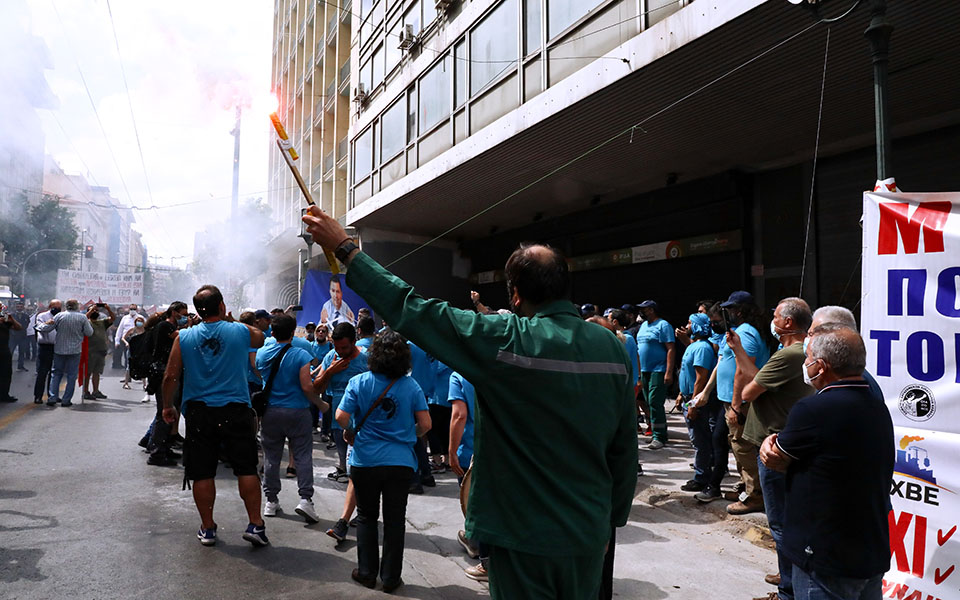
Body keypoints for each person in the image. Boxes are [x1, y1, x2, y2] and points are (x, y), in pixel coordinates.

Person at [303, 207, 638, 600]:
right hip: (588, 533)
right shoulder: (612, 349)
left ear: (515, 295)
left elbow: (412, 309)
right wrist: (609, 523)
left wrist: (345, 249)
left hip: (521, 535)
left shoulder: (504, 340)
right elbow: (623, 451)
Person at [759, 326, 893, 600]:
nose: (805, 364)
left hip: (825, 555)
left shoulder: (813, 409)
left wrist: (768, 443)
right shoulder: (877, 404)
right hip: (869, 550)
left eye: (807, 358)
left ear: (820, 366)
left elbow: (776, 458)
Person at [160, 285, 268, 547]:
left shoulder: (183, 338)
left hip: (199, 412)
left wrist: (167, 406)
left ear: (196, 311)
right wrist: (230, 320)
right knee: (246, 468)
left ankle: (207, 528)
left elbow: (170, 376)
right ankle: (255, 524)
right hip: (236, 409)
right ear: (221, 305)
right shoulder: (239, 331)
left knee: (202, 472)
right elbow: (261, 337)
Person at [729, 297, 812, 599]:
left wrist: (739, 358)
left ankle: (788, 588)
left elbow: (751, 389)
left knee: (779, 520)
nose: (772, 320)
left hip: (775, 447)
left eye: (776, 315)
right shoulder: (796, 351)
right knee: (786, 518)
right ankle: (786, 572)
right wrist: (738, 350)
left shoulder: (789, 354)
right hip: (786, 442)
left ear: (788, 322)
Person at [336, 330, 431, 592]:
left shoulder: (359, 382)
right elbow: (426, 424)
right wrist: (407, 435)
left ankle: (367, 573)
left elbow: (341, 416)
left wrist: (353, 429)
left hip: (365, 460)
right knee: (395, 520)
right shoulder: (411, 386)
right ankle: (390, 578)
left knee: (366, 516)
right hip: (400, 462)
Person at [257, 314, 329, 523]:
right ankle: (305, 499)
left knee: (271, 457)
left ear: (272, 332)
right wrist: (321, 404)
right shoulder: (300, 354)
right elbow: (307, 386)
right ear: (292, 333)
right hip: (298, 412)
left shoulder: (262, 353)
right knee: (303, 456)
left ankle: (270, 500)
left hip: (270, 412)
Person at [314, 322, 369, 484]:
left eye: (344, 348)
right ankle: (343, 467)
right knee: (339, 439)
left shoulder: (366, 358)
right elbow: (317, 387)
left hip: (363, 414)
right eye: (337, 347)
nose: (340, 352)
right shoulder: (331, 357)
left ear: (354, 342)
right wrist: (330, 372)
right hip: (339, 414)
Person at [449, 371, 488, 582]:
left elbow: (459, 415)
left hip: (471, 451)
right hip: (500, 451)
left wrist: (452, 451)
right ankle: (474, 540)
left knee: (473, 504)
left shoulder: (459, 375)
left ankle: (486, 561)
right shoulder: (499, 366)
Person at [675, 313, 719, 493]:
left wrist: (692, 405)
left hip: (696, 401)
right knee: (698, 438)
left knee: (700, 440)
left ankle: (701, 477)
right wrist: (680, 395)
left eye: (690, 323)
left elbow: (700, 379)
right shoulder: (694, 346)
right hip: (688, 397)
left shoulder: (701, 348)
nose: (687, 325)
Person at [147, 302, 189, 466]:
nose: (184, 317)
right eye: (182, 314)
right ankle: (157, 453)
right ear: (174, 312)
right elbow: (181, 337)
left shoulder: (169, 326)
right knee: (163, 413)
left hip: (167, 371)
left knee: (169, 412)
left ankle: (164, 448)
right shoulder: (165, 326)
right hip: (162, 372)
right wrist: (191, 326)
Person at [37, 299, 93, 407]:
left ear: (66, 306)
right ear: (77, 307)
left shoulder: (59, 316)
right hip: (75, 350)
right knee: (71, 376)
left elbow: (47, 328)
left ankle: (52, 397)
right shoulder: (82, 317)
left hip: (59, 349)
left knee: (56, 374)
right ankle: (66, 400)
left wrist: (39, 326)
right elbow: (89, 333)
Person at [636, 300, 676, 450]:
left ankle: (660, 436)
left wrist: (669, 372)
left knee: (654, 402)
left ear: (652, 310)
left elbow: (671, 349)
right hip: (644, 370)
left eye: (644, 309)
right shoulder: (643, 326)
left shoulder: (663, 325)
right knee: (648, 402)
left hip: (658, 370)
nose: (641, 312)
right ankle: (655, 432)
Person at [82, 303, 115, 400]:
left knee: (97, 372)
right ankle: (86, 391)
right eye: (93, 310)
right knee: (87, 372)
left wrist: (108, 308)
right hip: (89, 351)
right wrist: (91, 310)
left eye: (97, 310)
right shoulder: (86, 322)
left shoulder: (102, 322)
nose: (95, 311)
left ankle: (95, 391)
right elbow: (83, 319)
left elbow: (112, 318)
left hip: (100, 351)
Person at [33, 300, 60, 404]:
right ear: (50, 306)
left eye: (59, 307)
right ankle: (38, 396)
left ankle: (52, 395)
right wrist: (48, 323)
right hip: (44, 347)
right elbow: (39, 328)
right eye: (55, 307)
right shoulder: (42, 316)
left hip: (57, 347)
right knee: (42, 372)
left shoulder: (61, 316)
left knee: (54, 373)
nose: (56, 309)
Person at [0, 306, 23, 402]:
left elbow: (18, 327)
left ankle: (4, 395)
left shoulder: (4, 318)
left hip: (4, 349)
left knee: (6, 373)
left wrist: (11, 319)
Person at [121, 315, 147, 392]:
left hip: (141, 350)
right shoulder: (132, 330)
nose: (139, 323)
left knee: (143, 366)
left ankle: (144, 384)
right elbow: (123, 337)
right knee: (129, 366)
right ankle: (126, 383)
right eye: (138, 321)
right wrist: (126, 343)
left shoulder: (145, 331)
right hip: (131, 350)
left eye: (140, 321)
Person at [10, 302, 30, 371]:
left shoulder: (26, 316)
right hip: (13, 336)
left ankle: (20, 366)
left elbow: (27, 324)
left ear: (23, 307)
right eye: (18, 306)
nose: (19, 308)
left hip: (22, 336)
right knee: (10, 352)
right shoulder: (10, 315)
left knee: (22, 352)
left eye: (21, 307)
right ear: (16, 307)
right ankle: (6, 366)